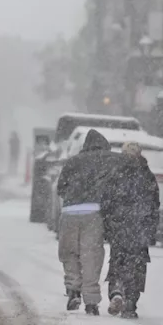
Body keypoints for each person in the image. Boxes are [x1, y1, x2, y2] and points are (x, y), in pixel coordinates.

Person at [55, 129, 120, 315]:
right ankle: (91, 301)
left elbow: (61, 188)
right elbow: (113, 189)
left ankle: (73, 290)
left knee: (69, 253)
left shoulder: (73, 161)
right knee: (91, 256)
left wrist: (73, 197)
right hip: (93, 213)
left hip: (69, 213)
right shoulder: (107, 161)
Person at [102, 141, 160, 319]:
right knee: (137, 267)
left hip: (119, 227)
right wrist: (151, 229)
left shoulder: (114, 172)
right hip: (140, 229)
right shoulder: (147, 174)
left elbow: (106, 200)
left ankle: (116, 291)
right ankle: (130, 304)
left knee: (118, 261)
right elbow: (154, 204)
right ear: (140, 154)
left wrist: (107, 225)